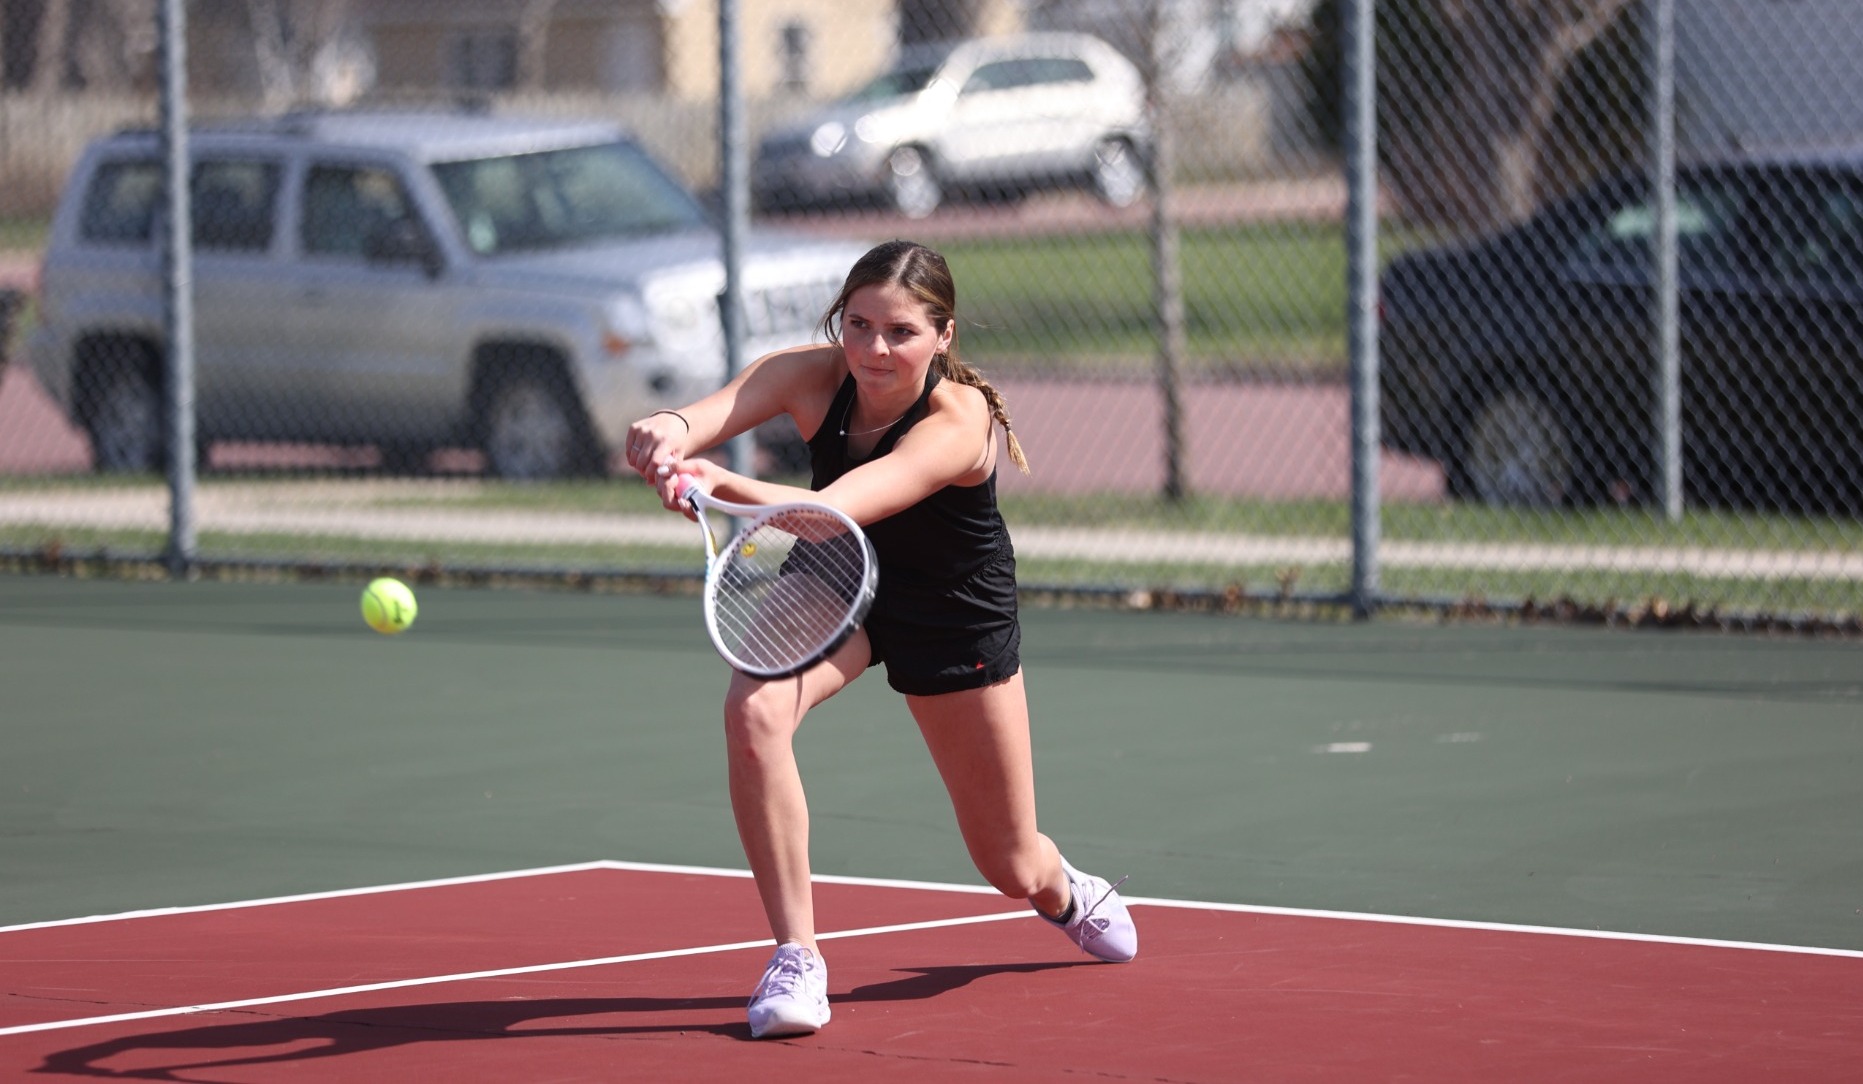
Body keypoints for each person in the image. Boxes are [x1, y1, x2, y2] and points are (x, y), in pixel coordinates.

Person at [623, 239, 1137, 1040]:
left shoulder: (958, 422)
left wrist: (717, 483)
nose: (872, 349)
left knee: (1006, 863)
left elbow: (832, 509)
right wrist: (665, 429)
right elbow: (701, 416)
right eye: (857, 326)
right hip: (837, 579)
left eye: (899, 332)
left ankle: (1061, 888)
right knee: (753, 713)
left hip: (949, 606)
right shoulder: (808, 374)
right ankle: (797, 956)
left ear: (943, 336)